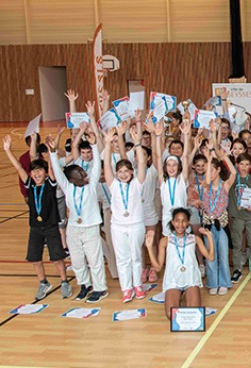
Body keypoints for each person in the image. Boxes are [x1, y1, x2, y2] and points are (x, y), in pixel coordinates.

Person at [4, 135, 72, 300]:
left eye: (39, 170)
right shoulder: (30, 184)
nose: (36, 173)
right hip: (35, 228)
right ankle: (43, 283)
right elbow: (19, 168)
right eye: (34, 171)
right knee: (35, 258)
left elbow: (51, 167)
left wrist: (51, 151)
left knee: (57, 258)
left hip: (51, 227)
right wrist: (7, 151)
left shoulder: (50, 183)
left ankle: (64, 282)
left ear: (45, 172)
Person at [48, 125, 109, 303]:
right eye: (79, 172)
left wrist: (95, 146)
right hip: (74, 227)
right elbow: (58, 173)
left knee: (95, 259)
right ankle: (85, 284)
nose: (83, 172)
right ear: (72, 178)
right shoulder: (68, 188)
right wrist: (53, 153)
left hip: (90, 227)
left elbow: (96, 166)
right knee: (77, 259)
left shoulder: (90, 186)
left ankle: (100, 288)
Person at [103, 125, 149, 303]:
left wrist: (137, 143)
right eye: (120, 172)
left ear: (131, 172)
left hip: (136, 224)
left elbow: (142, 163)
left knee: (136, 256)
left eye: (126, 171)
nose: (123, 174)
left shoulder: (137, 183)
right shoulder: (113, 185)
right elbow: (106, 164)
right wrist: (107, 144)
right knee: (122, 258)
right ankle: (126, 288)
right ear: (116, 174)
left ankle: (137, 285)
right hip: (118, 226)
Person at [145, 208, 214, 320]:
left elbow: (210, 257)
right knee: (171, 315)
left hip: (190, 279)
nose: (180, 224)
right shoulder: (165, 240)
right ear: (172, 222)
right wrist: (149, 247)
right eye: (177, 220)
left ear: (188, 223)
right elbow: (157, 267)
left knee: (193, 314)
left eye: (183, 221)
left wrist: (209, 237)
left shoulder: (194, 238)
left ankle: (186, 295)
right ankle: (177, 296)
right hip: (173, 280)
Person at [200, 126, 236, 296]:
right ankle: (212, 282)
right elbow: (207, 179)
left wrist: (223, 156)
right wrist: (209, 159)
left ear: (219, 170)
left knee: (222, 254)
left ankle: (224, 282)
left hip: (221, 226)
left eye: (213, 170)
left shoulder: (225, 186)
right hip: (208, 225)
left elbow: (234, 172)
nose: (211, 173)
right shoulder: (206, 187)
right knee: (210, 255)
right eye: (210, 170)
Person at [228, 153, 251, 283]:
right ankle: (237, 268)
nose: (244, 167)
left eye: (247, 164)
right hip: (237, 216)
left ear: (250, 166)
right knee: (237, 242)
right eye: (241, 164)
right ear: (237, 165)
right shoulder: (232, 179)